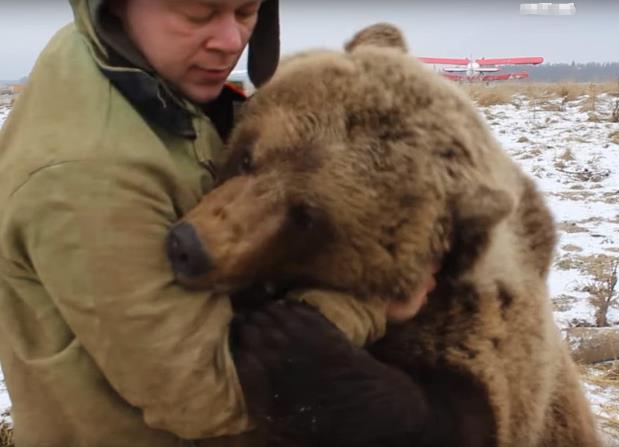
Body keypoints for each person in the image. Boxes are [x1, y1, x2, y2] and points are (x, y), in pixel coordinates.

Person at [0, 1, 433, 446]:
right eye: (196, 13)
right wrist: (369, 304)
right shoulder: (88, 175)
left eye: (246, 11)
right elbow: (206, 396)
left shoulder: (127, 61)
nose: (231, 41)